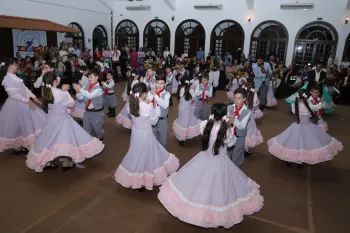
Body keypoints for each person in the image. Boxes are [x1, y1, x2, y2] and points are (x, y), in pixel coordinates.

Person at [158, 102, 264, 229]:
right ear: (224, 114)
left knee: (199, 184)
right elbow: (230, 144)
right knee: (220, 186)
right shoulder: (227, 130)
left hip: (204, 158)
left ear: (212, 113)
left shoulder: (205, 125)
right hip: (221, 162)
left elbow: (204, 129)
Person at [26, 72, 104, 172]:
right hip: (62, 120)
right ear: (55, 81)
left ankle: (51, 161)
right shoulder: (59, 92)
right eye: (57, 78)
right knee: (66, 140)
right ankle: (65, 163)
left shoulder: (46, 90)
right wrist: (65, 91)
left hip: (51, 119)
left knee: (51, 139)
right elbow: (71, 103)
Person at [114, 82, 179, 191]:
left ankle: (137, 178)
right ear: (144, 94)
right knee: (149, 155)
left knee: (136, 153)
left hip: (136, 133)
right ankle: (147, 179)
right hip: (146, 134)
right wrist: (149, 106)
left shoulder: (131, 104)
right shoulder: (148, 106)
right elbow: (154, 122)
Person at [268, 89, 343, 166]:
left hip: (297, 125)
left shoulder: (295, 104)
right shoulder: (308, 104)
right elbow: (315, 108)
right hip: (307, 126)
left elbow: (295, 112)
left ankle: (290, 160)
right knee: (307, 143)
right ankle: (301, 160)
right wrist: (321, 102)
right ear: (307, 97)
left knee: (292, 142)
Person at [0, 58, 46, 153]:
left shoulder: (14, 76)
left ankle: (21, 145)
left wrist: (34, 98)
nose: (18, 67)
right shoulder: (7, 78)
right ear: (10, 65)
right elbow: (13, 95)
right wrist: (28, 101)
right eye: (16, 65)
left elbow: (24, 89)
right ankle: (19, 146)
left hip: (22, 103)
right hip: (15, 104)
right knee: (16, 126)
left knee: (24, 124)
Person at [72, 69, 104, 141]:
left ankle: (100, 142)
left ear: (97, 78)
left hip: (97, 113)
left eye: (91, 77)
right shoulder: (86, 86)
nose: (89, 79)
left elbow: (90, 96)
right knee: (85, 129)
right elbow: (80, 98)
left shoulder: (99, 89)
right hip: (87, 112)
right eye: (88, 77)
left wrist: (80, 90)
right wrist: (78, 92)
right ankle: (87, 145)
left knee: (98, 130)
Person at [173, 76, 201, 146]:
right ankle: (183, 138)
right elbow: (194, 99)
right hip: (187, 109)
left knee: (181, 121)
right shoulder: (190, 90)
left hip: (181, 108)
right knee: (187, 121)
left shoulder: (180, 88)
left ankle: (181, 138)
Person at [226, 88, 251, 166]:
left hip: (239, 137)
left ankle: (234, 173)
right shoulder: (230, 108)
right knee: (227, 155)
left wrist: (234, 120)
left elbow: (242, 126)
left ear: (244, 99)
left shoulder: (247, 111)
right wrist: (227, 120)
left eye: (239, 98)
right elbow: (226, 121)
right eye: (235, 98)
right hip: (229, 135)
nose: (236, 100)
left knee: (236, 157)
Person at [147, 75, 171, 149]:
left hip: (162, 120)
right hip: (152, 120)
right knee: (153, 140)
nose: (159, 85)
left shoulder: (167, 94)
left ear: (165, 84)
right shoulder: (150, 92)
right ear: (155, 83)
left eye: (162, 83)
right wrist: (151, 97)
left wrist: (155, 95)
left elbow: (165, 105)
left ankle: (164, 158)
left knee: (163, 142)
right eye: (157, 83)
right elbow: (148, 104)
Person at [244, 79, 264, 155]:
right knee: (249, 132)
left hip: (243, 115)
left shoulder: (243, 93)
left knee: (242, 130)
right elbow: (255, 105)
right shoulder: (254, 95)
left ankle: (241, 146)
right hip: (251, 117)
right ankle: (246, 149)